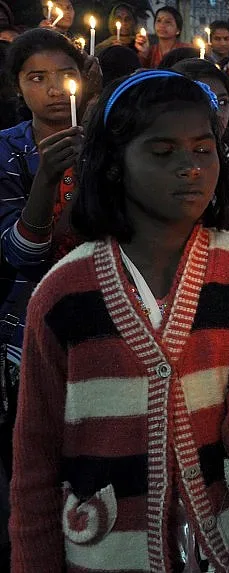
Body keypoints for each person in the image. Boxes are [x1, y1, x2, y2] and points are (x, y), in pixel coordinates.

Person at [9, 67, 229, 572]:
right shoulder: (63, 294)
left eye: (203, 150)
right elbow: (35, 463)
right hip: (109, 552)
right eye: (163, 153)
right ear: (116, 164)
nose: (190, 167)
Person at [0, 28, 87, 475]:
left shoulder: (106, 145)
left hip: (101, 316)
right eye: (37, 78)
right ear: (17, 85)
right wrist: (47, 180)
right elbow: (20, 254)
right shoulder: (7, 152)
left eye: (66, 75)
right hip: (28, 323)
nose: (55, 89)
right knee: (36, 466)